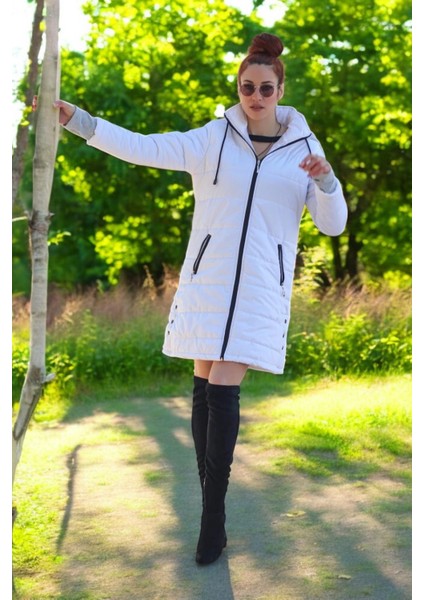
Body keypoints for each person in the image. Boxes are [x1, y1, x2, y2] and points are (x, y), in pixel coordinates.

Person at [54, 32, 347, 566]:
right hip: (206, 283)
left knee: (222, 389)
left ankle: (212, 519)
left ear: (281, 90)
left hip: (260, 288)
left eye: (265, 87)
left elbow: (332, 225)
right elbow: (144, 147)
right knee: (203, 388)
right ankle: (213, 510)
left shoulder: (306, 151)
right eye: (246, 87)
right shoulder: (213, 138)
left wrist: (327, 183)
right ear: (238, 88)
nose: (255, 96)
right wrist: (81, 121)